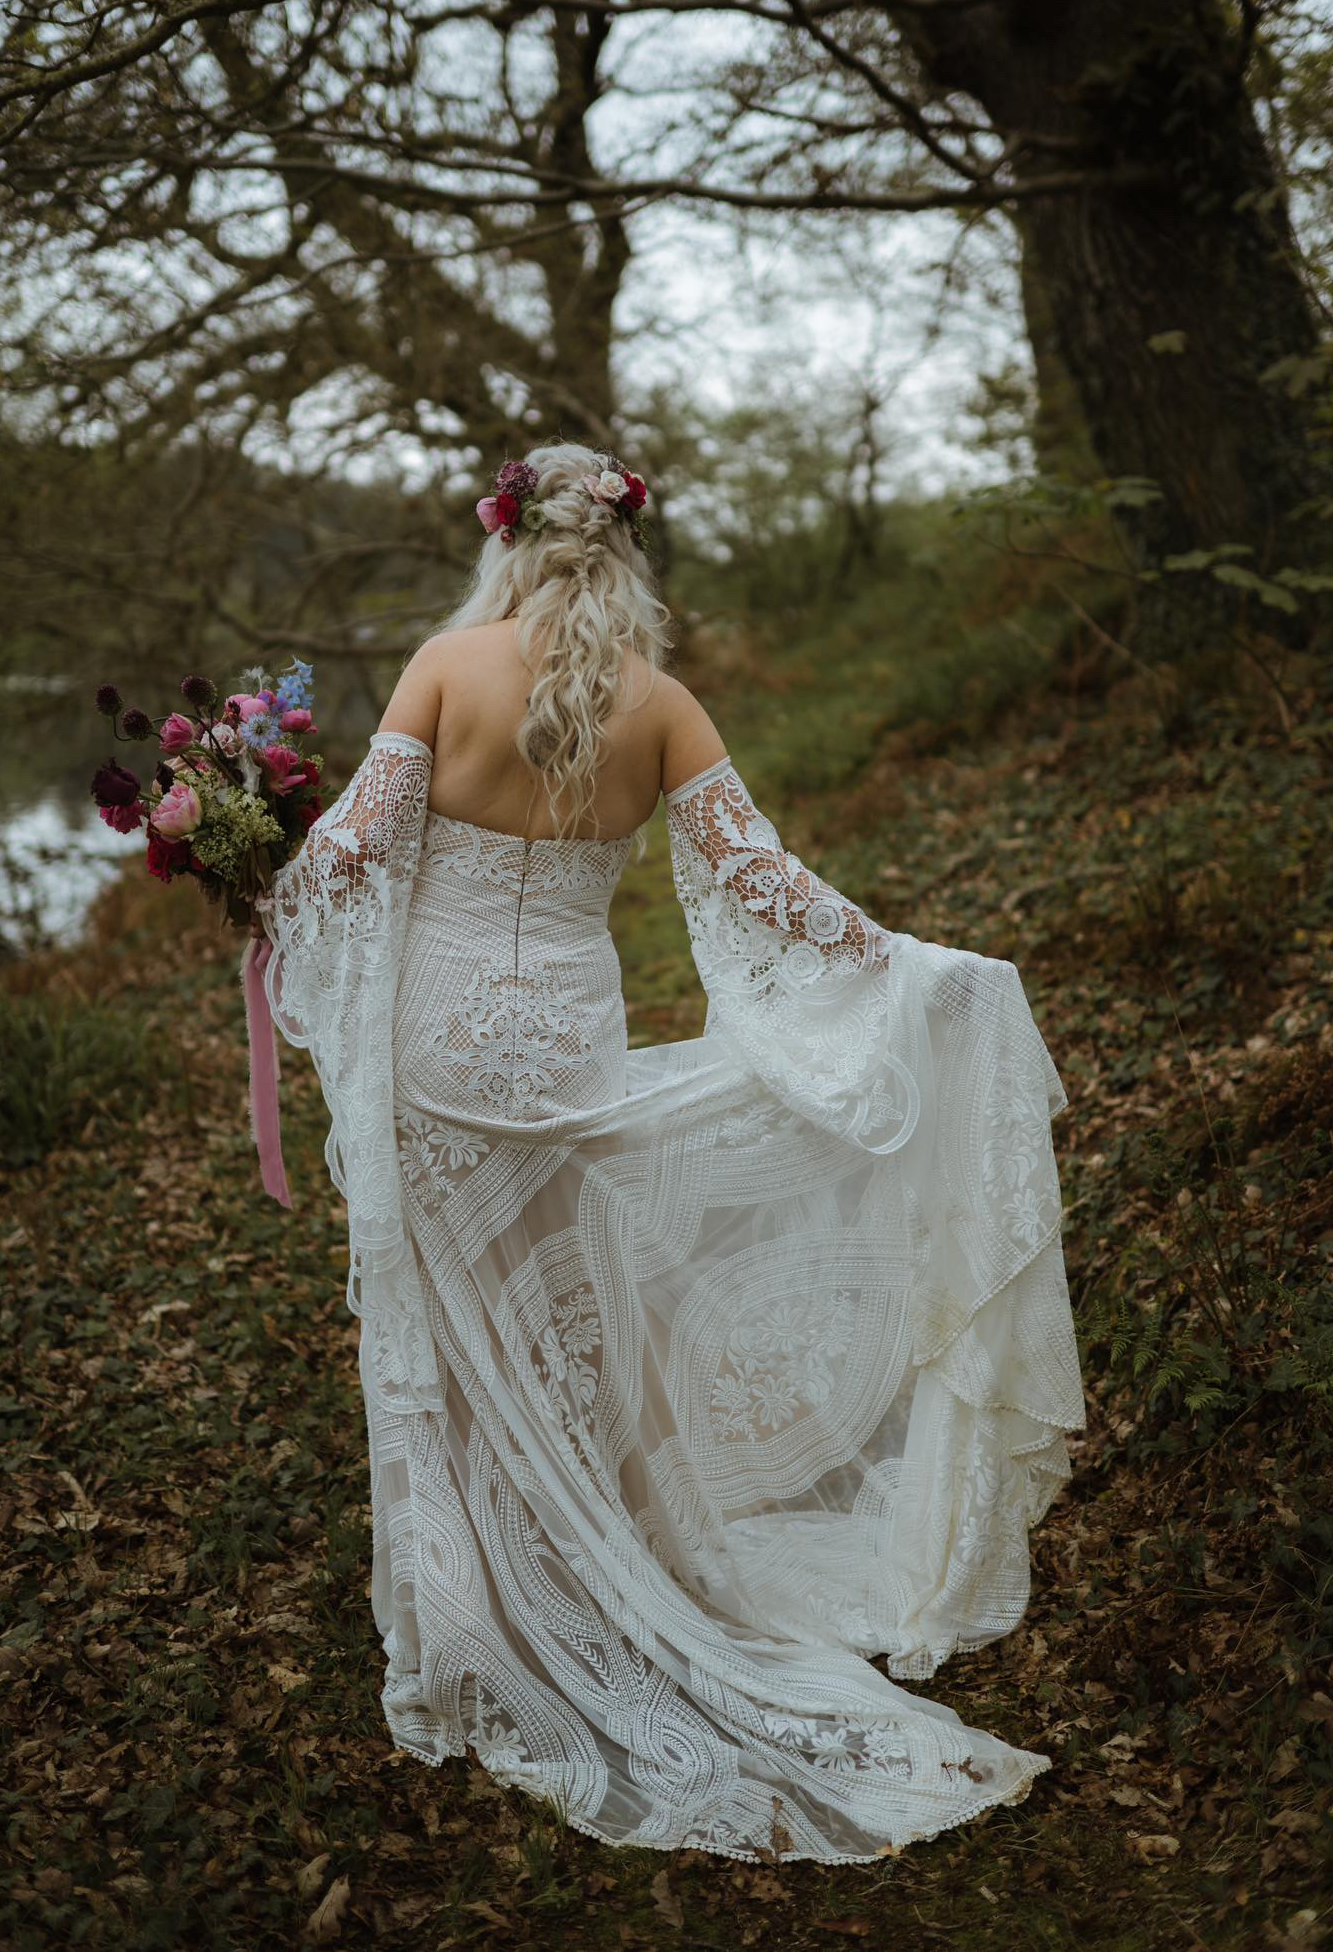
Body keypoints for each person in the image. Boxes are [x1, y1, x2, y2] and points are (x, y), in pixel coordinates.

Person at [254, 441, 1085, 1865]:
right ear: (626, 553)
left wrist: (244, 861)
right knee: (569, 1307)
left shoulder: (446, 667)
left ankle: (479, 1614)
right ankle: (596, 1562)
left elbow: (351, 860)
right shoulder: (662, 703)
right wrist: (904, 967)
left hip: (438, 1056)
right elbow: (762, 885)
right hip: (567, 1048)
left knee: (451, 1334)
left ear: (506, 543)